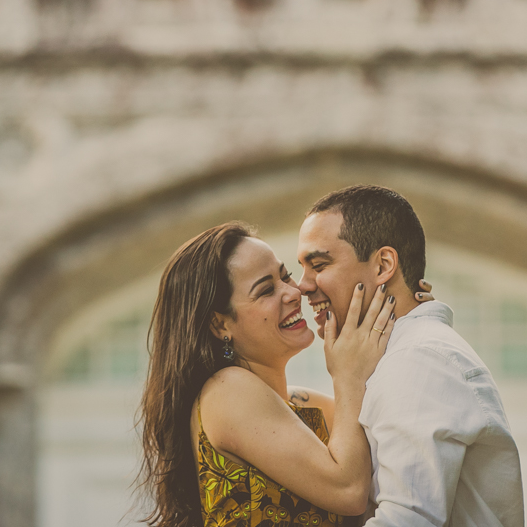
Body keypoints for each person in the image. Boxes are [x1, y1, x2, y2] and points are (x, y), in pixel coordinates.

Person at [137, 221, 405, 527]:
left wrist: (403, 299)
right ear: (220, 325)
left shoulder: (306, 406)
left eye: (285, 276)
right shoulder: (227, 390)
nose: (294, 292)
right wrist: (347, 375)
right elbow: (349, 491)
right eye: (266, 290)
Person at [296, 185, 525, 527]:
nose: (302, 285)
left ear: (383, 265)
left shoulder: (418, 360)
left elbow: (407, 520)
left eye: (318, 264)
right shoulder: (393, 359)